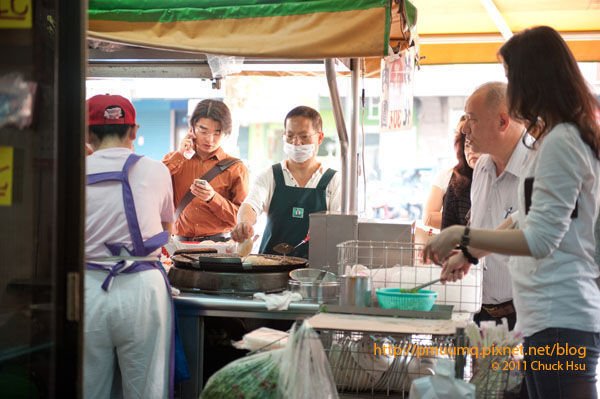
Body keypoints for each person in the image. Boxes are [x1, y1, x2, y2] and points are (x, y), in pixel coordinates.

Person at [424, 26, 600, 398]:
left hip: (560, 319)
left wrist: (460, 235)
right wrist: (470, 252)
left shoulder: (561, 142)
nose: (510, 87)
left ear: (532, 79)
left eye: (510, 76)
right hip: (549, 319)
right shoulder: (557, 139)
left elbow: (540, 239)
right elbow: (524, 217)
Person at [84, 94, 175, 398]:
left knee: (88, 388)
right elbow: (166, 229)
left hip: (87, 289)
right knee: (145, 389)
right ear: (134, 131)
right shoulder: (157, 171)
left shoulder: (70, 171)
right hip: (142, 290)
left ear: (87, 134)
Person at [460, 82, 529, 330]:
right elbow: (479, 229)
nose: (465, 129)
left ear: (502, 121)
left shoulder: (538, 167)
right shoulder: (481, 166)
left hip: (525, 317)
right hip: (481, 314)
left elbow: (525, 230)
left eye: (472, 119)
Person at [231, 105, 341, 258]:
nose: (296, 143)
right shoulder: (270, 175)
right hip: (270, 269)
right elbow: (251, 205)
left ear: (320, 137)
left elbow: (340, 226)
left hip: (314, 272)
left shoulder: (334, 181)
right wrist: (244, 224)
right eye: (290, 136)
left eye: (304, 136)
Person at [163, 99, 249, 242]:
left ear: (225, 133)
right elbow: (153, 186)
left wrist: (213, 198)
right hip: (178, 245)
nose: (210, 139)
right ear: (192, 129)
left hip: (219, 248)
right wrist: (179, 154)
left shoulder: (236, 168)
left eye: (217, 133)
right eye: (203, 131)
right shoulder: (175, 160)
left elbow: (241, 220)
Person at [441, 116, 480, 229]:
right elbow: (446, 230)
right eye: (467, 145)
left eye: (475, 145)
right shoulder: (457, 183)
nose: (471, 151)